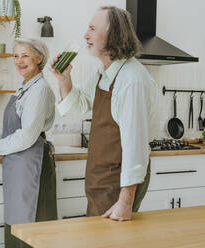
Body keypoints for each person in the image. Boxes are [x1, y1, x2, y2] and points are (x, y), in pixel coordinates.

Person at [51, 6, 157, 221]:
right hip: (101, 179)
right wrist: (64, 79)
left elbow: (135, 145)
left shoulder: (132, 79)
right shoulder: (104, 73)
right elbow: (78, 105)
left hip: (118, 183)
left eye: (92, 28)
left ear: (113, 34)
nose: (85, 35)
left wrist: (125, 201)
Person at [0, 38, 57, 247]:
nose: (19, 61)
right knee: (17, 224)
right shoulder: (25, 87)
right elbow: (17, 128)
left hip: (32, 164)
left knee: (31, 227)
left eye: (25, 55)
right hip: (20, 164)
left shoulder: (40, 90)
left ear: (39, 58)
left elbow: (27, 136)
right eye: (16, 56)